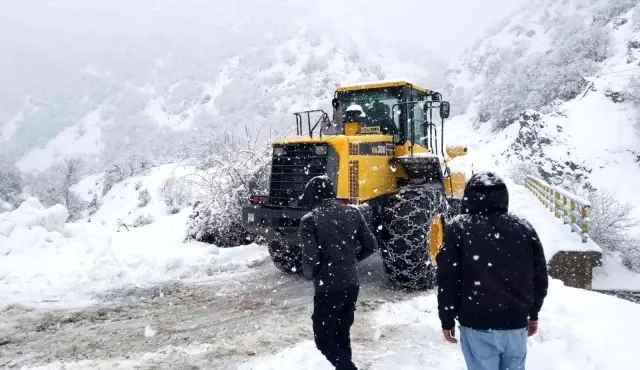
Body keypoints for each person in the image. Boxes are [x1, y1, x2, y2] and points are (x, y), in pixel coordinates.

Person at [436, 172, 549, 370]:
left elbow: (448, 278)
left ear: (469, 196)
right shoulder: (523, 228)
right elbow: (539, 276)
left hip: (476, 323)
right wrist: (533, 313)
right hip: (515, 323)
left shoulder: (459, 228)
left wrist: (447, 319)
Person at [299, 176, 378, 370]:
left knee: (324, 339)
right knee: (342, 333)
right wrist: (350, 262)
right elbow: (371, 245)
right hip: (352, 284)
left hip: (328, 287)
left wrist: (311, 274)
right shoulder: (353, 213)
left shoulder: (310, 220)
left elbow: (311, 260)